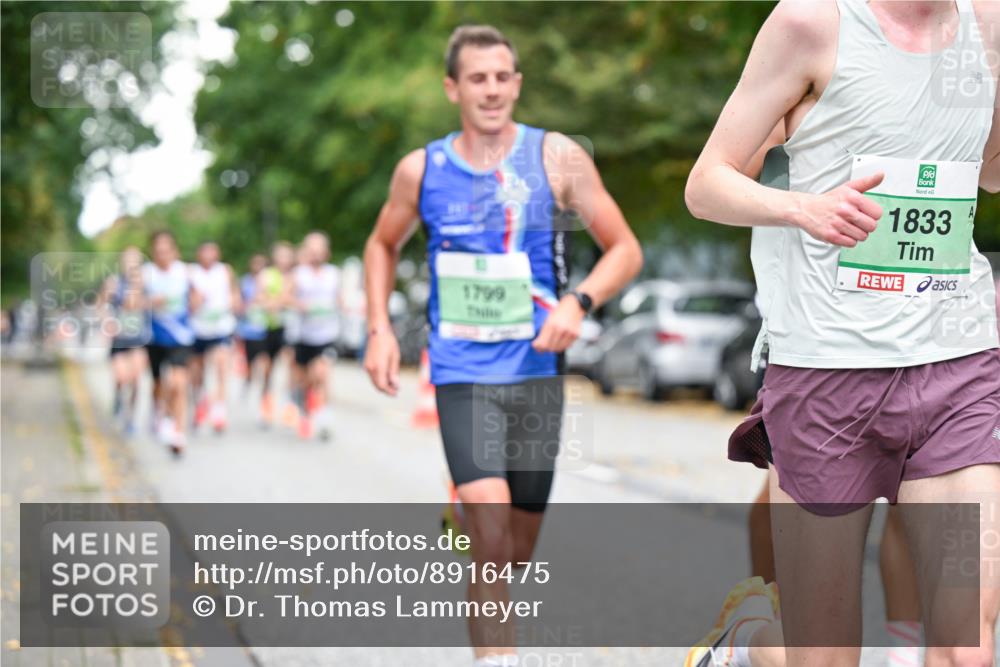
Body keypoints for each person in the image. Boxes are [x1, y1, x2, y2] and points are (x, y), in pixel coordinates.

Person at [684, 1, 1000, 665]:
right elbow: (705, 185)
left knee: (966, 646)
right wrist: (804, 207)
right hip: (828, 367)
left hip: (958, 361)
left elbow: (988, 167)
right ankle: (748, 646)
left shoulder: (989, 24)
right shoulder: (811, 24)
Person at [363, 25, 642, 666]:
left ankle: (462, 515)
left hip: (538, 367)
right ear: (452, 88)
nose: (491, 90)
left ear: (516, 84)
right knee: (490, 539)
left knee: (515, 550)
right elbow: (382, 244)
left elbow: (625, 249)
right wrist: (378, 326)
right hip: (461, 371)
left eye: (501, 77)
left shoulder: (558, 159)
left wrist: (579, 303)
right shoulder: (422, 170)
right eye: (477, 78)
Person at [143, 231, 195, 456]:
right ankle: (160, 414)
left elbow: (198, 296)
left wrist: (196, 302)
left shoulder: (185, 272)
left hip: (180, 337)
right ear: (153, 253)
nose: (163, 255)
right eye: (158, 251)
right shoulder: (146, 274)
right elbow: (131, 302)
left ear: (175, 251)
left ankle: (178, 432)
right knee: (158, 385)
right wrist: (149, 302)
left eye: (167, 250)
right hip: (154, 337)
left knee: (178, 384)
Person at [291, 231, 341, 441]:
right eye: (311, 250)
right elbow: (287, 296)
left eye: (319, 250)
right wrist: (300, 305)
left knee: (322, 373)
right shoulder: (299, 274)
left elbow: (340, 299)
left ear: (326, 252)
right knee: (306, 379)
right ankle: (303, 404)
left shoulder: (333, 273)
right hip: (304, 336)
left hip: (327, 333)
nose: (315, 254)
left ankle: (324, 416)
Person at [188, 242, 241, 434]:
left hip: (221, 329)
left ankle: (219, 411)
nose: (209, 255)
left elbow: (235, 293)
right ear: (198, 254)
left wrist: (235, 302)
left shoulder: (225, 271)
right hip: (198, 330)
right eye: (205, 252)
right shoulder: (191, 272)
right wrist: (194, 301)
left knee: (221, 367)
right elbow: (187, 299)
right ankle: (199, 403)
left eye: (212, 252)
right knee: (196, 373)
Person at [100, 246, 149, 435]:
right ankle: (118, 396)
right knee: (122, 377)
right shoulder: (113, 283)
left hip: (138, 339)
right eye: (127, 261)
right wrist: (108, 322)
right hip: (119, 339)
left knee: (136, 380)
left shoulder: (145, 284)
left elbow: (139, 305)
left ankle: (131, 417)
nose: (131, 265)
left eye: (135, 261)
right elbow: (101, 306)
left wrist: (137, 287)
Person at [236, 254, 270, 415]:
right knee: (250, 363)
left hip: (265, 330)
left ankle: (264, 391)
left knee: (264, 362)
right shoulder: (245, 282)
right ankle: (248, 382)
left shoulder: (270, 281)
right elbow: (239, 304)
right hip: (249, 331)